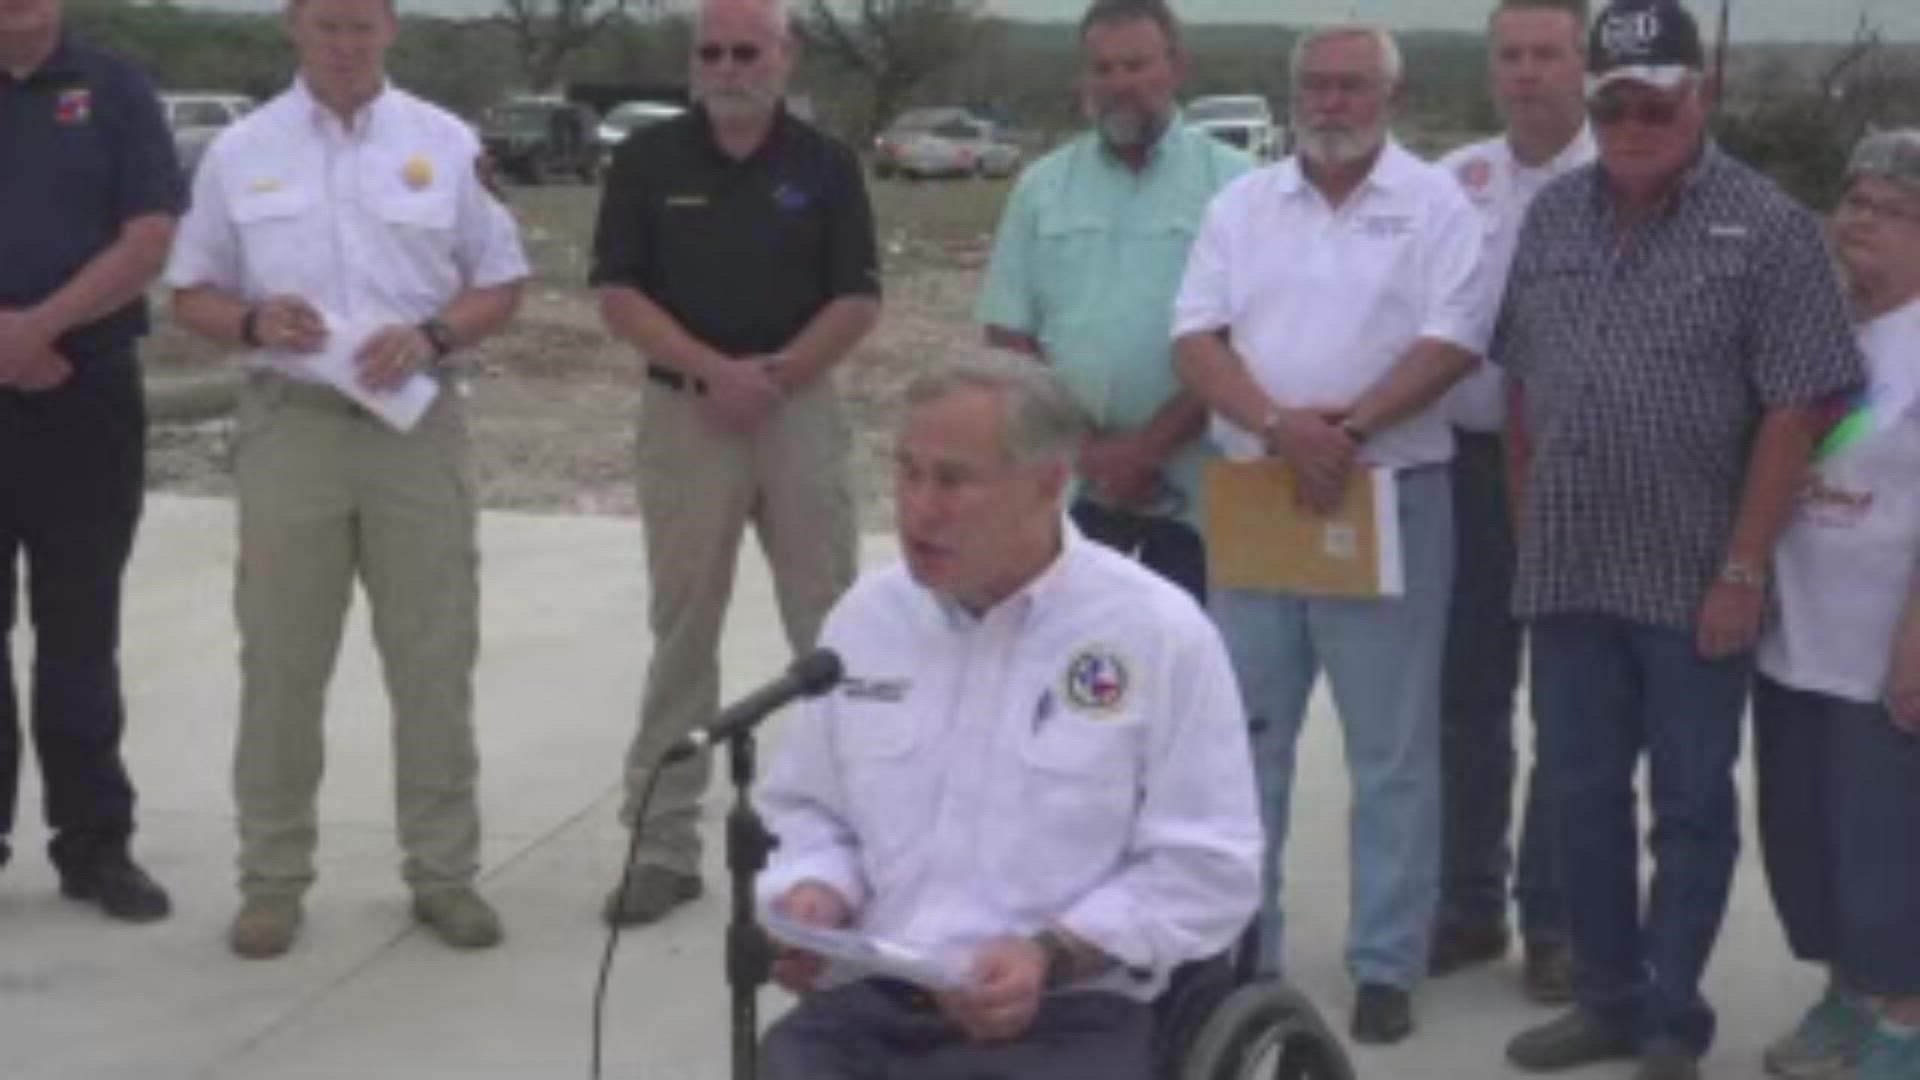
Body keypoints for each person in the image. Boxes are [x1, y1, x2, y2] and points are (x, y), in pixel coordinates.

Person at [1492, 3, 1863, 1077]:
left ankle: (1669, 1016)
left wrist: (1745, 568)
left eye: (1658, 98)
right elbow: (1521, 382)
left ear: (1699, 95)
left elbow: (1802, 410)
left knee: (1693, 808)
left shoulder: (1772, 225)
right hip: (1567, 574)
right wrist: (1527, 531)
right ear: (1592, 100)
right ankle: (1604, 999)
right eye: (1615, 101)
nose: (1635, 120)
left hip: (1700, 574)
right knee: (1577, 795)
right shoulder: (1553, 216)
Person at [754, 353, 1262, 1080]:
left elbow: (1208, 863)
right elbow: (810, 808)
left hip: (1069, 1011)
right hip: (873, 999)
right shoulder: (867, 620)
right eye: (907, 471)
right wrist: (816, 894)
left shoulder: (1157, 634)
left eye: (954, 480)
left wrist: (1048, 956)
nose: (919, 507)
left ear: (1049, 485)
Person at [166, 0, 529, 958]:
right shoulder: (241, 150)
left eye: (363, 24)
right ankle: (272, 883)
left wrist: (438, 332)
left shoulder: (444, 142)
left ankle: (445, 876)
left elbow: (501, 281)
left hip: (417, 431)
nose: (345, 42)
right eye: (327, 24)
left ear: (392, 29)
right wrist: (249, 323)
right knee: (282, 665)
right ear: (293, 26)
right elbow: (191, 290)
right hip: (294, 431)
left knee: (434, 661)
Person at [1172, 25, 1486, 1045]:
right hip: (1259, 490)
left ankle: (1386, 961)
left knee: (1391, 750)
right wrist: (1280, 428)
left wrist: (1342, 433)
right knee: (1247, 740)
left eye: (1353, 84)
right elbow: (1195, 337)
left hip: (1385, 493)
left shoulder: (1437, 203)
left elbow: (1454, 341)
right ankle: (1244, 951)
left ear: (1389, 95)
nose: (1332, 101)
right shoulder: (1241, 204)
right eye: (1316, 83)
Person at [590, 0, 880, 926]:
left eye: (744, 50)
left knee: (831, 633)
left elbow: (859, 296)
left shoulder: (826, 166)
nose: (726, 66)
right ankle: (664, 847)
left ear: (784, 57)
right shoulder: (647, 162)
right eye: (709, 52)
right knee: (683, 634)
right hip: (687, 420)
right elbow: (618, 292)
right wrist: (714, 373)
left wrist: (779, 377)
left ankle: (858, 845)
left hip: (799, 415)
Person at [1427, 0, 1593, 1002]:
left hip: (1579, 477)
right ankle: (1468, 904)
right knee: (1465, 702)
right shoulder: (1458, 182)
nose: (1527, 73)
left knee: (1570, 705)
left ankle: (1558, 921)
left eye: (1547, 54)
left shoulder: (1620, 177)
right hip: (1462, 464)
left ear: (1583, 64)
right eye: (1511, 56)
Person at [976, 0, 1251, 602]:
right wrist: (1088, 450)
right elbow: (1008, 331)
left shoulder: (1238, 184)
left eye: (1136, 65)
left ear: (1176, 69)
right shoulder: (1041, 187)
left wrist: (1150, 447)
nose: (1119, 84)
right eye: (1102, 69)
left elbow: (1249, 338)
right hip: (1075, 481)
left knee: (1186, 663)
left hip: (1199, 484)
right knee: (1071, 663)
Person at [0, 0, 179, 922]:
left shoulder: (116, 90)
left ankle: (94, 845)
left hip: (88, 394)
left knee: (79, 633)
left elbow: (149, 235)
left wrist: (35, 329)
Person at [1752, 129, 1920, 1080]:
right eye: (1854, 201)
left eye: (1892, 210)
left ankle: (1904, 1010)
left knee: (1888, 840)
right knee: (1808, 835)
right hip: (1793, 636)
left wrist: (1915, 642)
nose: (1862, 221)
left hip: (1881, 645)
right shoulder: (1825, 323)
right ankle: (1849, 992)